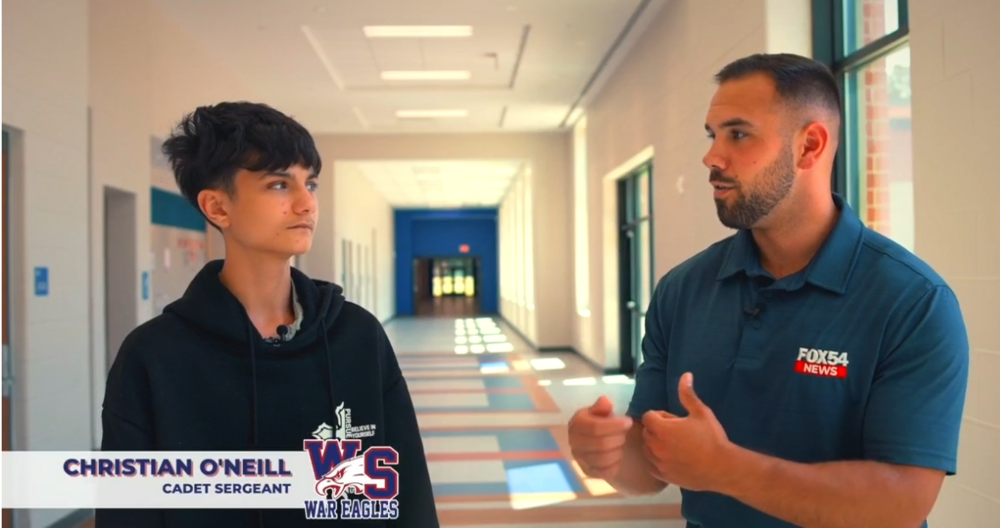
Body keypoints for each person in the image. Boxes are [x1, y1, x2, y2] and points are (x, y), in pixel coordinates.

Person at [567, 54, 969, 528]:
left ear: (809, 146)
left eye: (738, 135)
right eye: (712, 135)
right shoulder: (682, 290)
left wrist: (727, 469)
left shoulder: (913, 302)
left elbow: (902, 504)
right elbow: (649, 463)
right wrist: (607, 454)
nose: (712, 157)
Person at [96, 102, 440, 527]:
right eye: (279, 184)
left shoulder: (357, 336)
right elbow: (127, 511)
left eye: (310, 184)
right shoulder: (154, 356)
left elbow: (409, 490)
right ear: (217, 208)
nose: (306, 203)